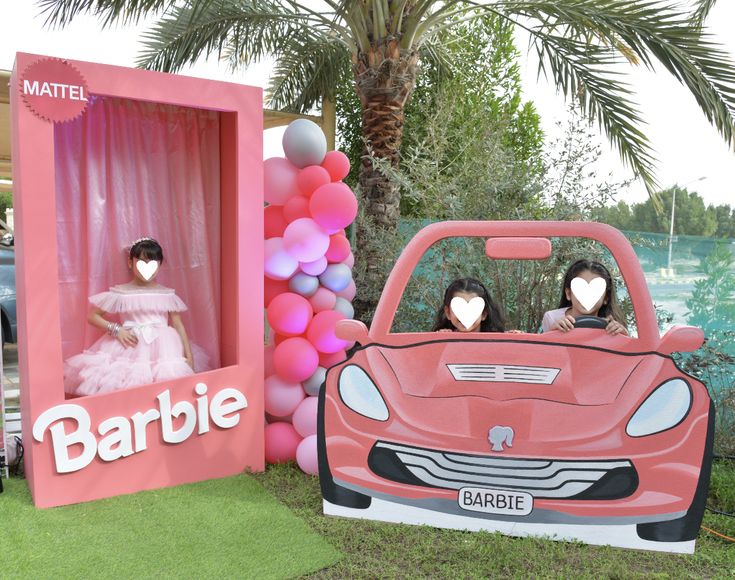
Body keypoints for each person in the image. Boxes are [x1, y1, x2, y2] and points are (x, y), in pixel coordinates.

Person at [64, 237, 206, 396]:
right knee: (131, 390)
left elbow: (178, 324)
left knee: (166, 391)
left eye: (153, 263)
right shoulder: (121, 293)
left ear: (159, 265)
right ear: (130, 263)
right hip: (130, 346)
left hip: (166, 349)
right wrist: (116, 330)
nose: (147, 268)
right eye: (141, 262)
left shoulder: (167, 294)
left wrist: (189, 354)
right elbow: (93, 316)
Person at [542, 259, 627, 335]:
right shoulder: (552, 318)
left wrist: (623, 335)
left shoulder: (612, 326)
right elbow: (544, 350)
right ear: (568, 294)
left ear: (606, 298)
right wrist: (552, 332)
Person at [433, 277, 510, 333]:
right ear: (448, 313)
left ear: (483, 314)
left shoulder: (497, 341)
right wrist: (440, 340)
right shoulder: (441, 341)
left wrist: (514, 337)